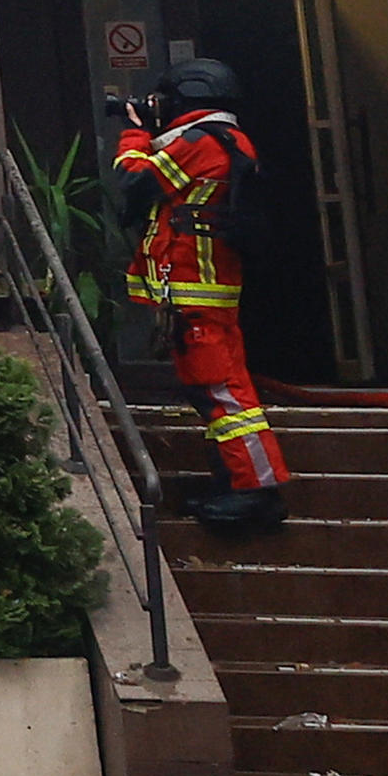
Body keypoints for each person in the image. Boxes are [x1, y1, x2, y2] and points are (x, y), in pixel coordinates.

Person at [117, 58, 288, 534]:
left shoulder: (199, 142)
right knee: (219, 392)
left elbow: (134, 184)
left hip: (197, 293)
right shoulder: (225, 139)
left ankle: (255, 492)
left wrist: (135, 135)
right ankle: (237, 484)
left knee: (224, 395)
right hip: (206, 291)